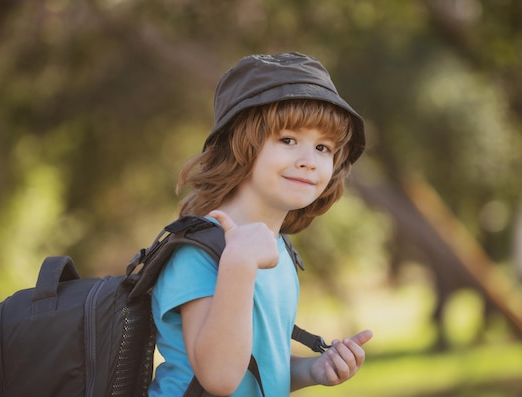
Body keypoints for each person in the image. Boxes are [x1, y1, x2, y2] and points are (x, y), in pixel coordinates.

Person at [148, 52, 373, 397]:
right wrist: (238, 264)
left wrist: (313, 369)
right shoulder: (199, 250)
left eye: (323, 147)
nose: (309, 162)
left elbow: (260, 368)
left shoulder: (278, 248)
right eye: (288, 140)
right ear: (242, 146)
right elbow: (221, 378)